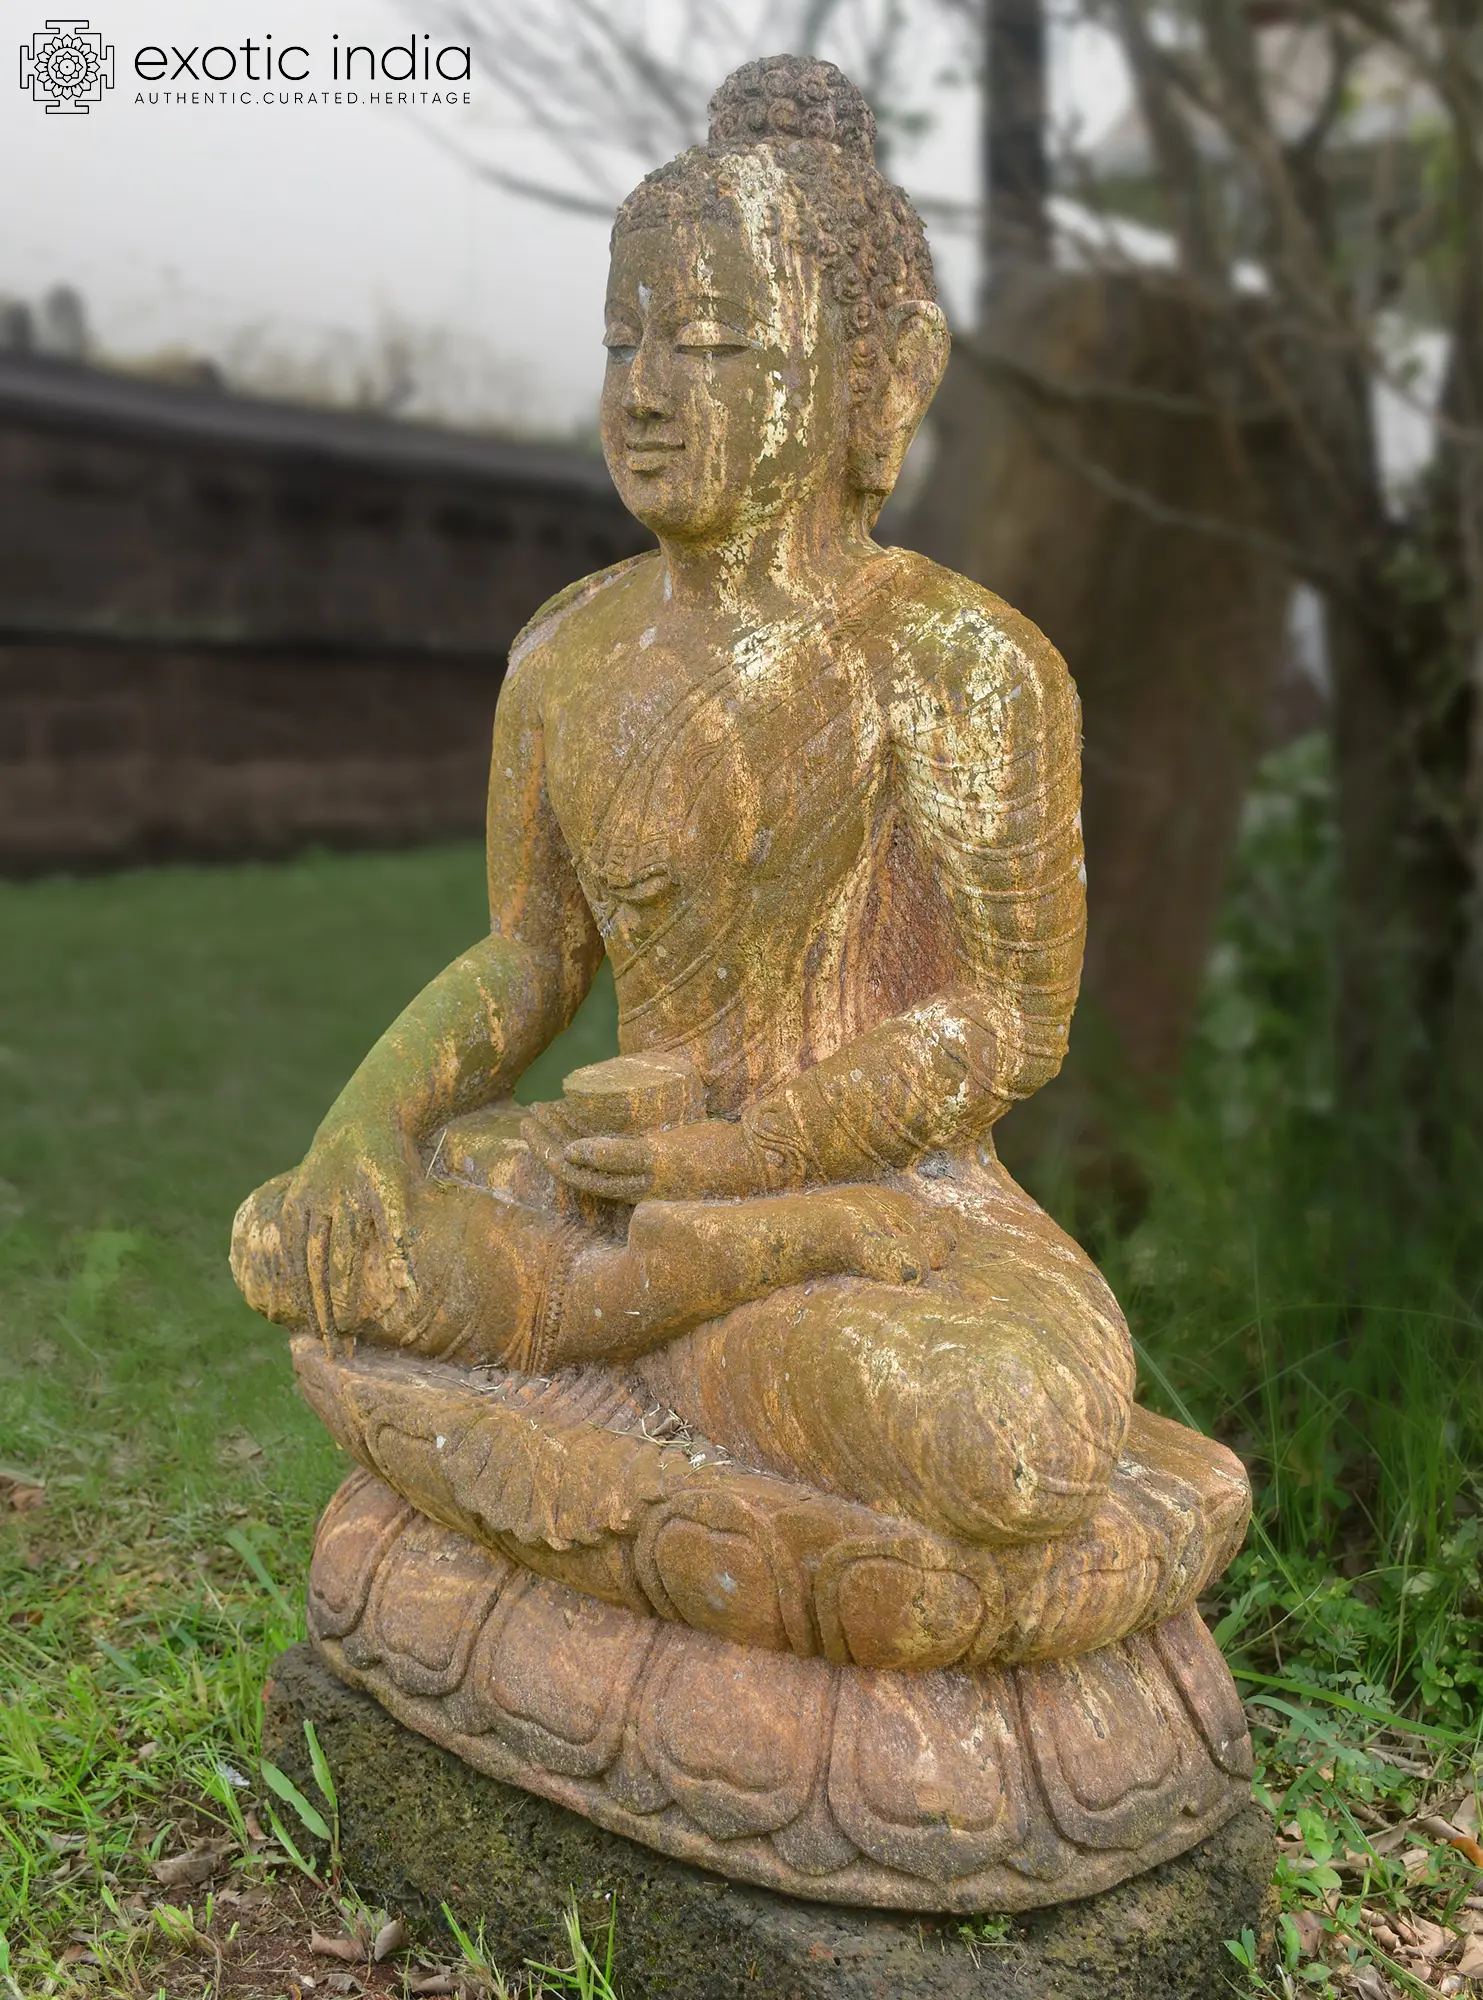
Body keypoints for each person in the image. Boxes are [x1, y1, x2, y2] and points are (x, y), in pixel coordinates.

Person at [232, 54, 1135, 1554]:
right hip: (623, 1180)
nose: (646, 394)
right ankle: (661, 1329)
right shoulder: (567, 649)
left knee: (1004, 1434)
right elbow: (533, 956)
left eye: (712, 345)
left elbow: (1007, 1017)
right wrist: (364, 1129)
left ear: (881, 376)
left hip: (888, 1207)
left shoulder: (957, 660)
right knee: (294, 1237)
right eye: (622, 340)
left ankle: (619, 1335)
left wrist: (756, 1162)